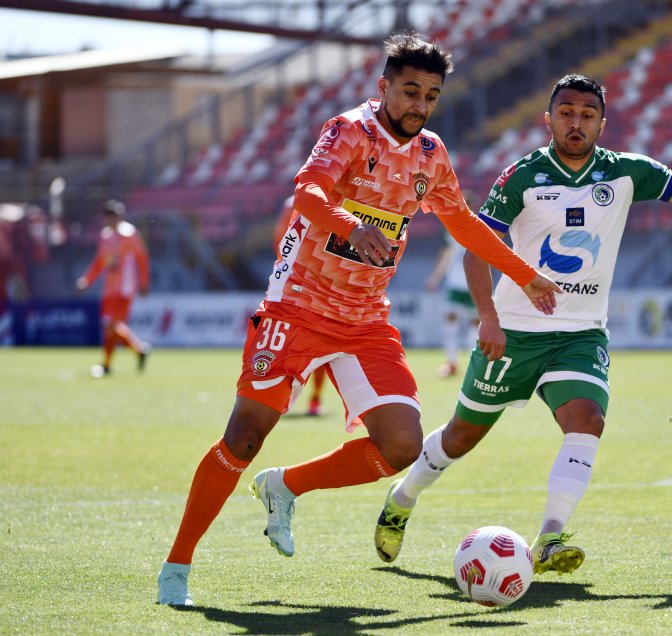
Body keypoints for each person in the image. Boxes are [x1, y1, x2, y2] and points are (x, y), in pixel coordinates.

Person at [157, 33, 561, 607]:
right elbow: (307, 193)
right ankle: (176, 569)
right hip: (297, 305)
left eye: (431, 95)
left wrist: (523, 273)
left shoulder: (431, 154)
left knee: (400, 446)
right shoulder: (349, 131)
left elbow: (465, 224)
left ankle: (284, 486)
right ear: (384, 87)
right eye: (409, 90)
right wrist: (350, 225)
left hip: (365, 319)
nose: (419, 104)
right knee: (244, 435)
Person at [373, 74, 672, 576]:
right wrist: (489, 319)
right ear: (549, 119)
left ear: (602, 123)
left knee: (587, 420)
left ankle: (551, 536)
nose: (575, 122)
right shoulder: (521, 176)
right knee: (460, 437)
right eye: (566, 112)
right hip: (514, 331)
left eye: (586, 114)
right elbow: (477, 249)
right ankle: (402, 498)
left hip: (581, 333)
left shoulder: (628, 172)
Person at [75, 199, 151, 377]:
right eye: (109, 216)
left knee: (110, 325)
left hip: (125, 288)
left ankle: (107, 365)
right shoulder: (105, 236)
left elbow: (142, 258)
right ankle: (138, 350)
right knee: (111, 326)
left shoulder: (130, 234)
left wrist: (144, 283)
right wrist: (87, 279)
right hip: (109, 289)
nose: (111, 219)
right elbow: (100, 262)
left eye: (114, 215)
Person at [274, 195, 328, 415]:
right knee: (323, 344)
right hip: (323, 285)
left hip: (296, 281)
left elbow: (280, 240)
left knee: (291, 342)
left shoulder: (291, 203)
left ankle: (281, 397)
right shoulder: (333, 202)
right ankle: (314, 400)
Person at [425, 230, 479, 378]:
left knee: (475, 326)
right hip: (455, 285)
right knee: (451, 322)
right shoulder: (451, 231)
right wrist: (435, 278)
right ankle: (452, 363)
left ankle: (473, 365)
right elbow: (446, 255)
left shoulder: (479, 227)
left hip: (474, 285)